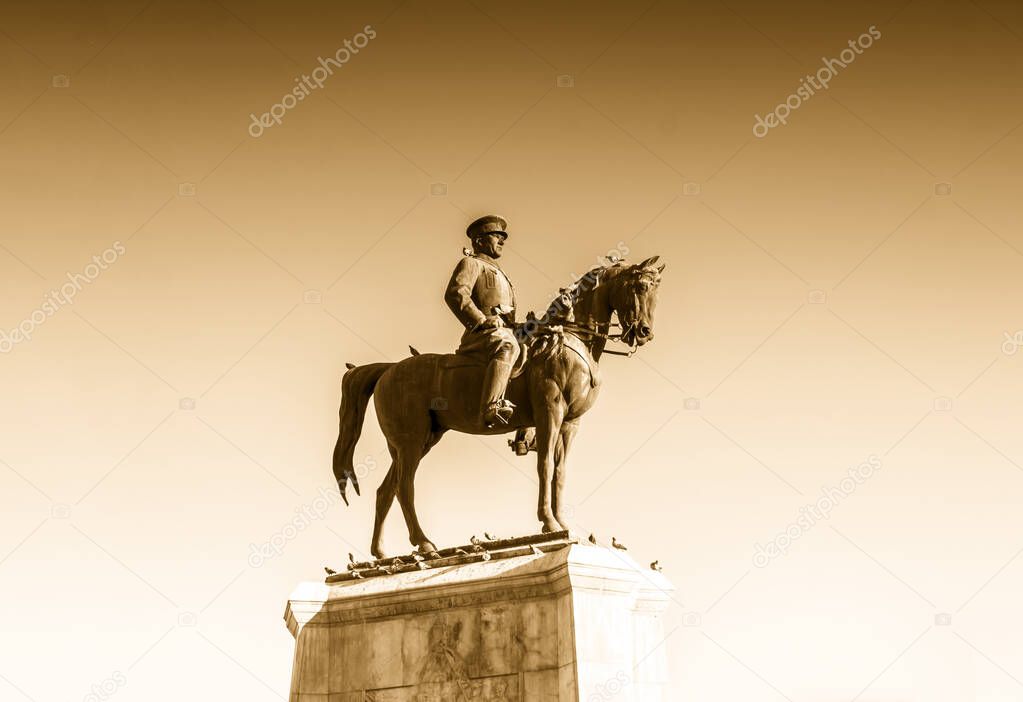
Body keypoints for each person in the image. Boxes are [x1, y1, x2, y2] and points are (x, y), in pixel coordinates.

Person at [444, 215, 520, 426]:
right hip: (482, 335)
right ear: (479, 241)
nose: (502, 241)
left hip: (503, 331)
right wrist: (480, 320)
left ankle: (528, 429)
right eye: (496, 236)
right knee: (507, 344)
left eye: (503, 237)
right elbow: (456, 294)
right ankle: (490, 406)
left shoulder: (501, 274)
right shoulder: (471, 263)